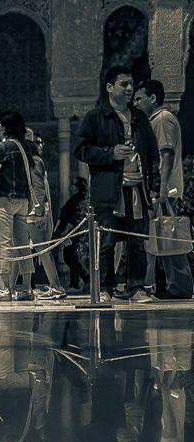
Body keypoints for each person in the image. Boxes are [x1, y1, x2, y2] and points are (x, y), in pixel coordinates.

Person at [75, 65, 159, 303]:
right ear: (110, 87)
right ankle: (106, 288)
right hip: (109, 190)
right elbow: (80, 150)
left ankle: (135, 288)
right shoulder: (96, 117)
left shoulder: (141, 117)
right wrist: (109, 152)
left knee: (137, 241)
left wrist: (154, 186)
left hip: (137, 189)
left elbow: (153, 154)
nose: (130, 88)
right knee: (107, 242)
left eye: (131, 84)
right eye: (124, 84)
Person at [133, 79, 192, 300]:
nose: (136, 103)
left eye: (139, 98)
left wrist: (163, 188)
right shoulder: (158, 120)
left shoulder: (162, 119)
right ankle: (173, 286)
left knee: (172, 239)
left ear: (153, 98)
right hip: (165, 190)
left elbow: (165, 153)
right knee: (165, 239)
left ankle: (180, 287)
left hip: (166, 191)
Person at [0, 110, 39, 301]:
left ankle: (5, 288)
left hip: (5, 200)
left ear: (4, 127)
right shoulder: (26, 147)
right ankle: (27, 288)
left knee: (4, 244)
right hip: (23, 201)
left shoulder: (3, 147)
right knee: (23, 244)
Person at [23, 132, 67, 300]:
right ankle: (27, 287)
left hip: (33, 213)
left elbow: (39, 189)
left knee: (42, 249)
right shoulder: (33, 161)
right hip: (31, 211)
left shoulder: (33, 161)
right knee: (31, 250)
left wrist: (39, 212)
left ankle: (56, 286)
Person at [53, 177, 90, 291]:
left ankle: (76, 283)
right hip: (70, 233)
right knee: (69, 257)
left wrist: (65, 233)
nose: (70, 186)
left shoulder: (78, 199)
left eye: (73, 184)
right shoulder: (73, 199)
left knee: (72, 257)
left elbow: (73, 218)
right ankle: (86, 278)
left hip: (74, 234)